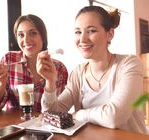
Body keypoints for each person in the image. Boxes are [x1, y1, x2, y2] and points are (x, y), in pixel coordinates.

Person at [36, 6, 147, 134]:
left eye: (91, 31)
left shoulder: (129, 64)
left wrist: (78, 115)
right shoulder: (78, 73)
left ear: (109, 34)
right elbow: (50, 115)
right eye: (78, 32)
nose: (82, 40)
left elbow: (114, 117)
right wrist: (50, 82)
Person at [0, 14, 68, 112]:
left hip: (45, 126)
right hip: (15, 125)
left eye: (33, 33)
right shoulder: (9, 59)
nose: (26, 40)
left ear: (43, 36)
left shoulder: (59, 68)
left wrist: (50, 81)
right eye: (21, 35)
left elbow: (59, 111)